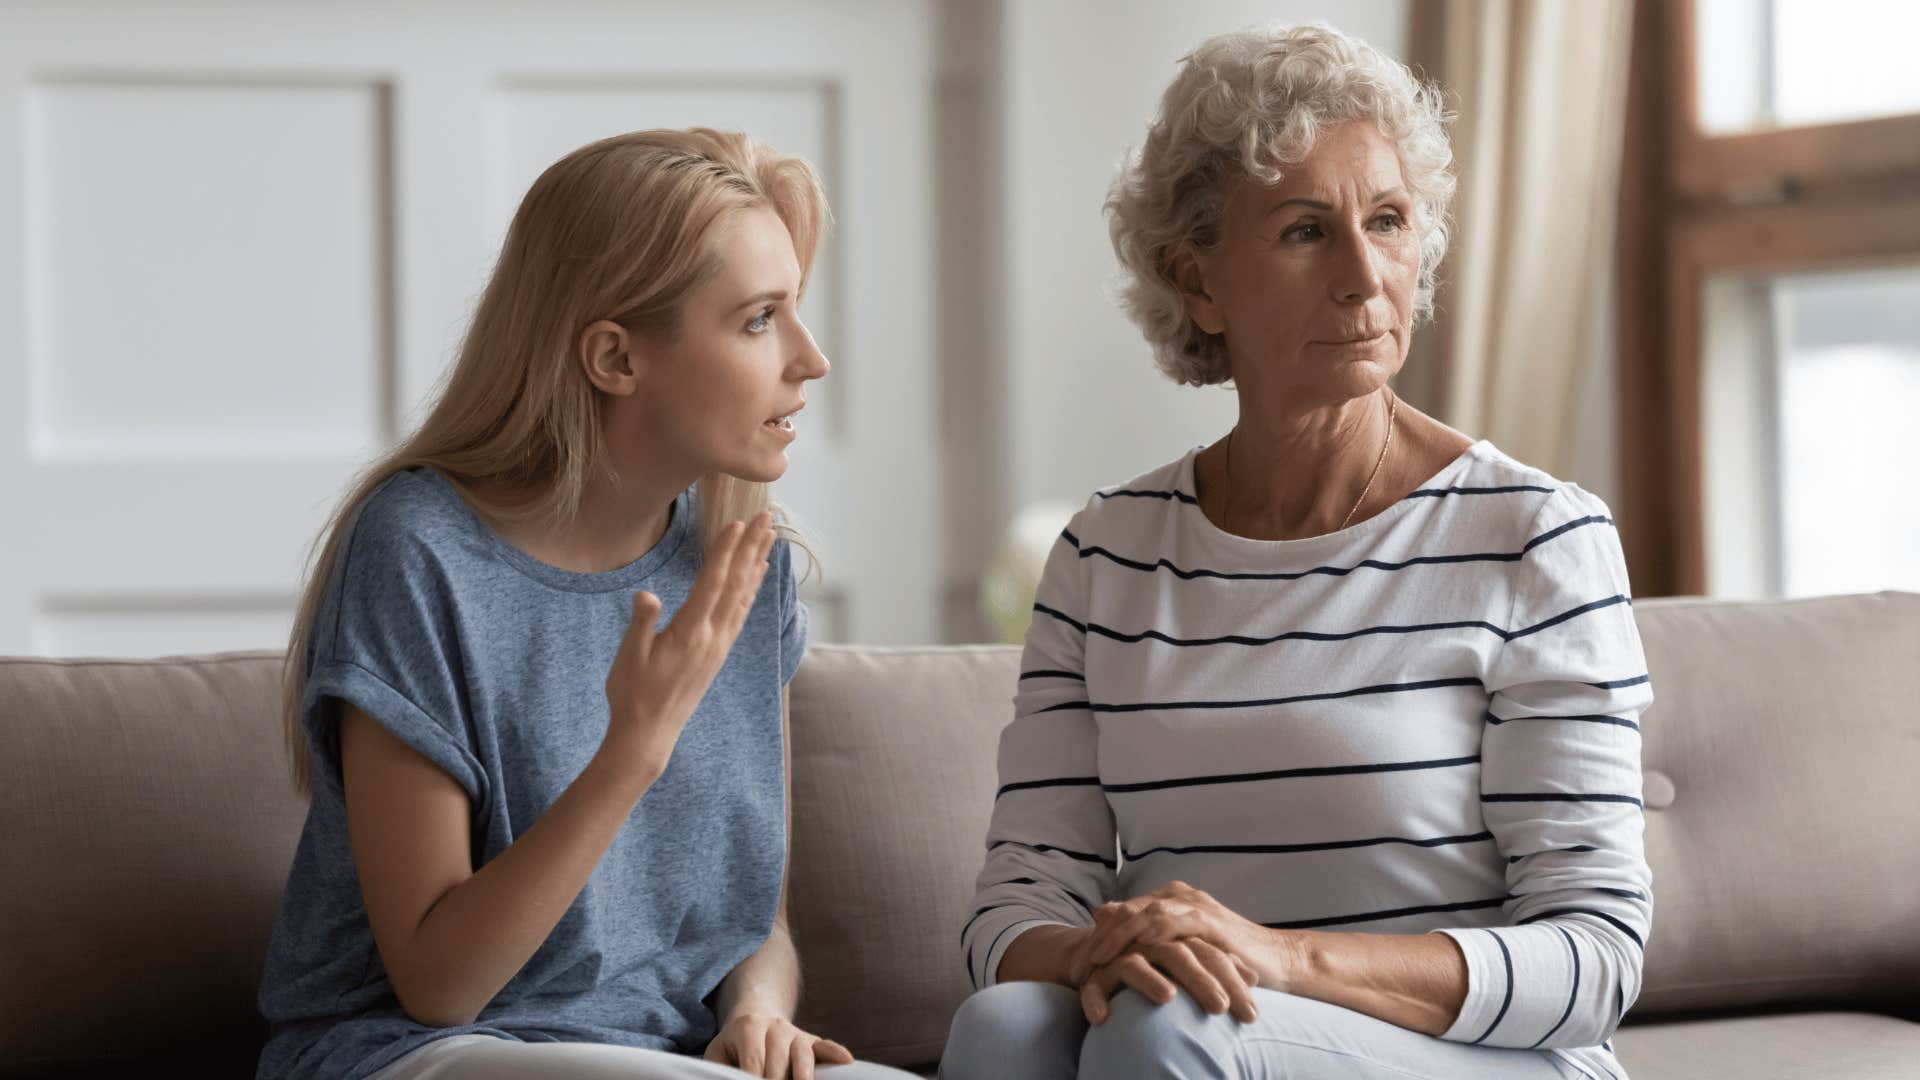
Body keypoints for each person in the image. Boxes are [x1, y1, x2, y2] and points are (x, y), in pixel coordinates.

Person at [943, 24, 1651, 1080]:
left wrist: (1279, 959)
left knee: (1169, 1023)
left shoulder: (1537, 536)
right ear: (1200, 283)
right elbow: (1013, 908)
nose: (1366, 276)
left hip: (1487, 1058)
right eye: (1305, 231)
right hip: (1204, 1023)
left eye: (1390, 220)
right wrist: (1104, 946)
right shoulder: (1107, 556)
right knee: (1003, 1028)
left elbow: (1595, 957)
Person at [256, 128, 912, 1080]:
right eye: (761, 319)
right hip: (419, 1050)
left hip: (665, 1059)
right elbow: (439, 981)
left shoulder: (743, 568)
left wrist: (760, 1013)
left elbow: (751, 916)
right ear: (614, 356)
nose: (809, 360)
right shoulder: (418, 550)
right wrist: (633, 749)